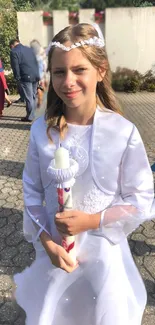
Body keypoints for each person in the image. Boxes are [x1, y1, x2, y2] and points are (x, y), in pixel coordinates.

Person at [14, 24, 154, 325]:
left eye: (80, 70)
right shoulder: (42, 131)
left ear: (100, 71)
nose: (69, 81)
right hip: (57, 255)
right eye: (60, 72)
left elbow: (141, 199)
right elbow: (32, 191)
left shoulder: (122, 132)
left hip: (103, 258)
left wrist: (92, 221)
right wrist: (48, 241)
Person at [10, 39, 40, 122]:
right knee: (33, 96)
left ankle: (30, 117)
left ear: (12, 45)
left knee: (29, 97)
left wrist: (17, 78)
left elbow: (15, 66)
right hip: (35, 75)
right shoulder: (30, 49)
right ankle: (33, 114)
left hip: (25, 77)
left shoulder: (14, 51)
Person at [30, 39, 48, 108]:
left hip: (37, 75)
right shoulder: (41, 56)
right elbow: (44, 65)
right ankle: (42, 101)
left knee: (39, 89)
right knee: (41, 88)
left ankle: (40, 102)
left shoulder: (35, 56)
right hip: (41, 74)